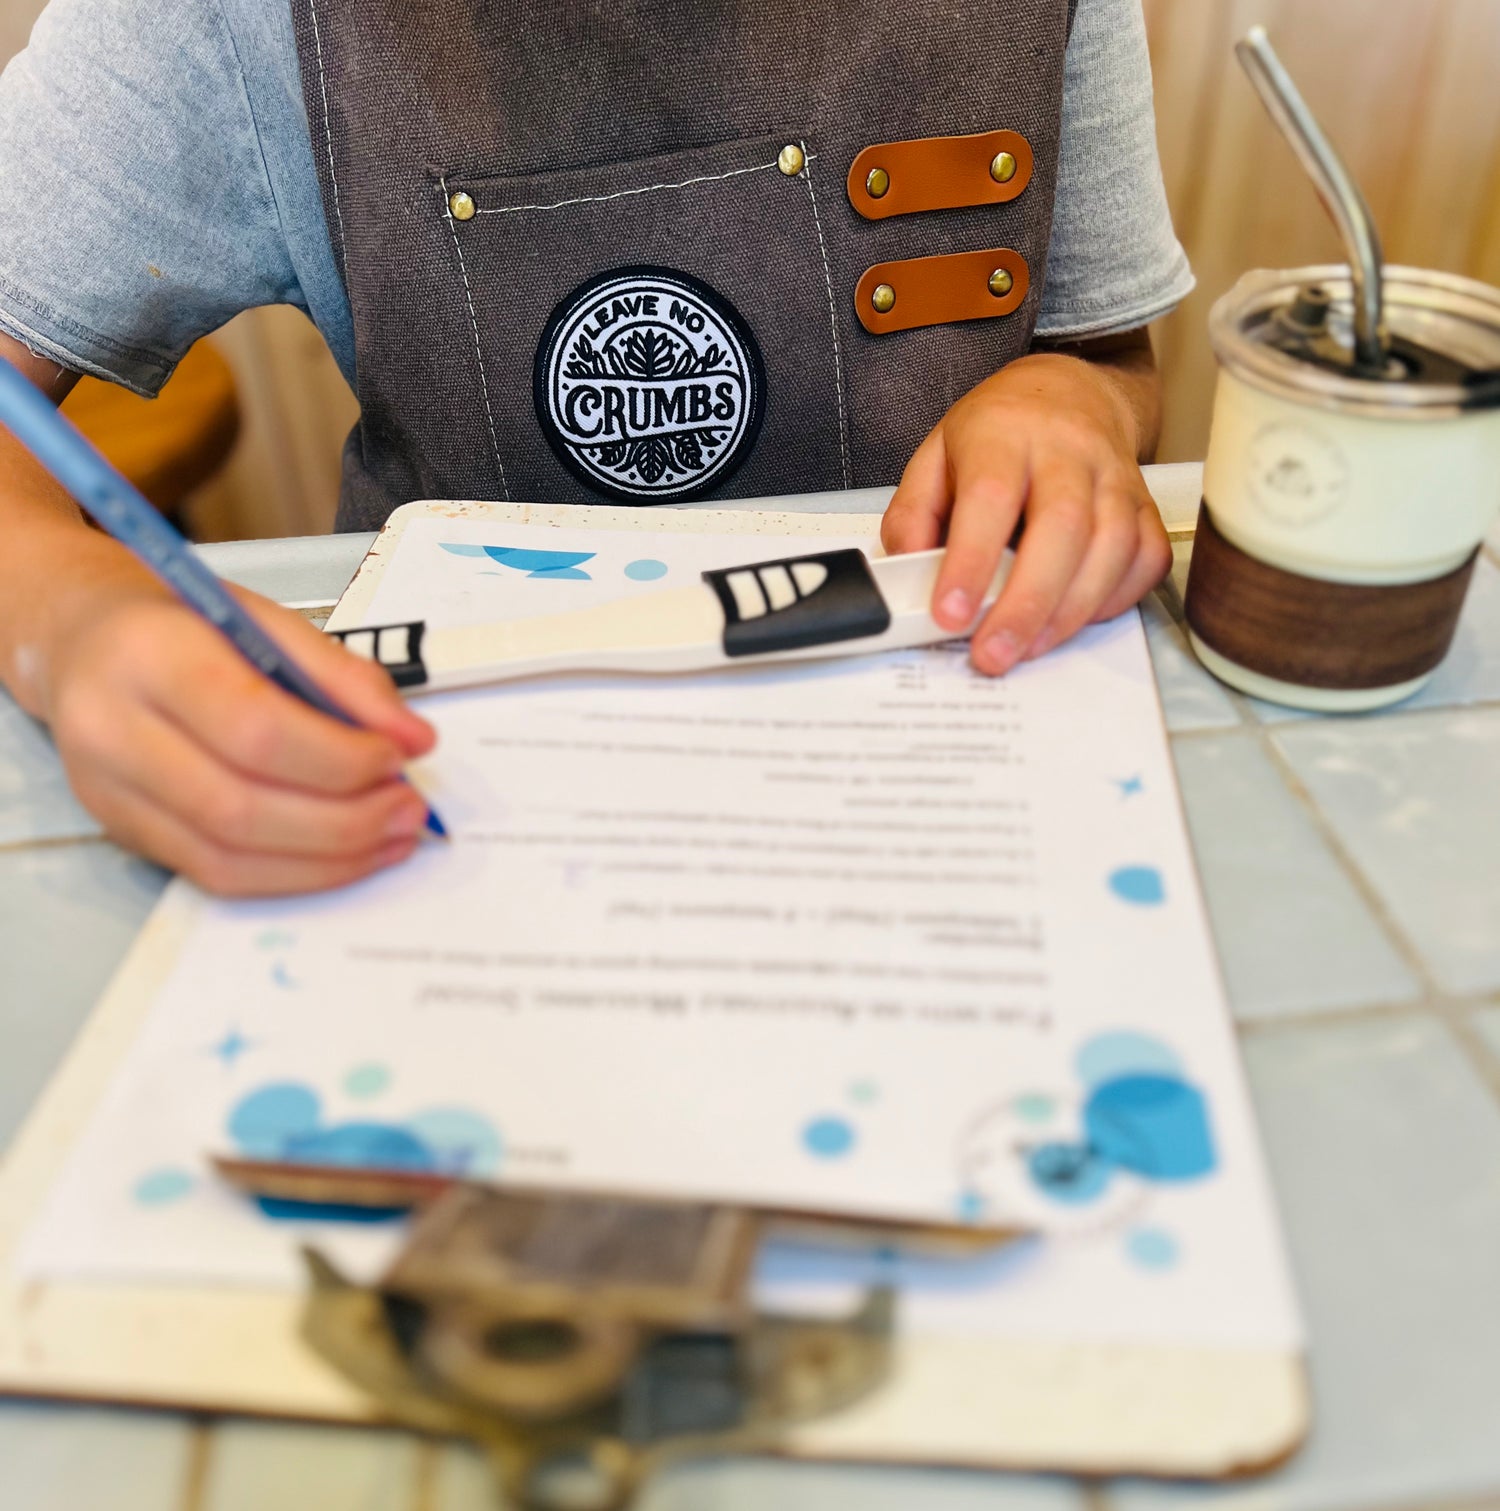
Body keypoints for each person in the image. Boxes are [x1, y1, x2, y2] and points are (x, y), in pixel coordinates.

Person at [0, 0, 1192, 897]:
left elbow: (1109, 356)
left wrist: (1077, 404)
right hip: (443, 818)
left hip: (949, 792)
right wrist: (71, 618)